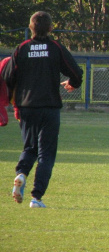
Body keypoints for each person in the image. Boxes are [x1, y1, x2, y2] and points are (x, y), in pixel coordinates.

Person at [1, 11, 83, 208]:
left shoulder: (22, 49)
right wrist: (72, 83)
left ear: (31, 28)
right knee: (46, 153)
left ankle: (21, 173)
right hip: (49, 107)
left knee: (30, 148)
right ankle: (36, 197)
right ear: (50, 28)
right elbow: (76, 72)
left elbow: (8, 77)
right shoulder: (55, 48)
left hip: (26, 107)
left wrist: (14, 99)